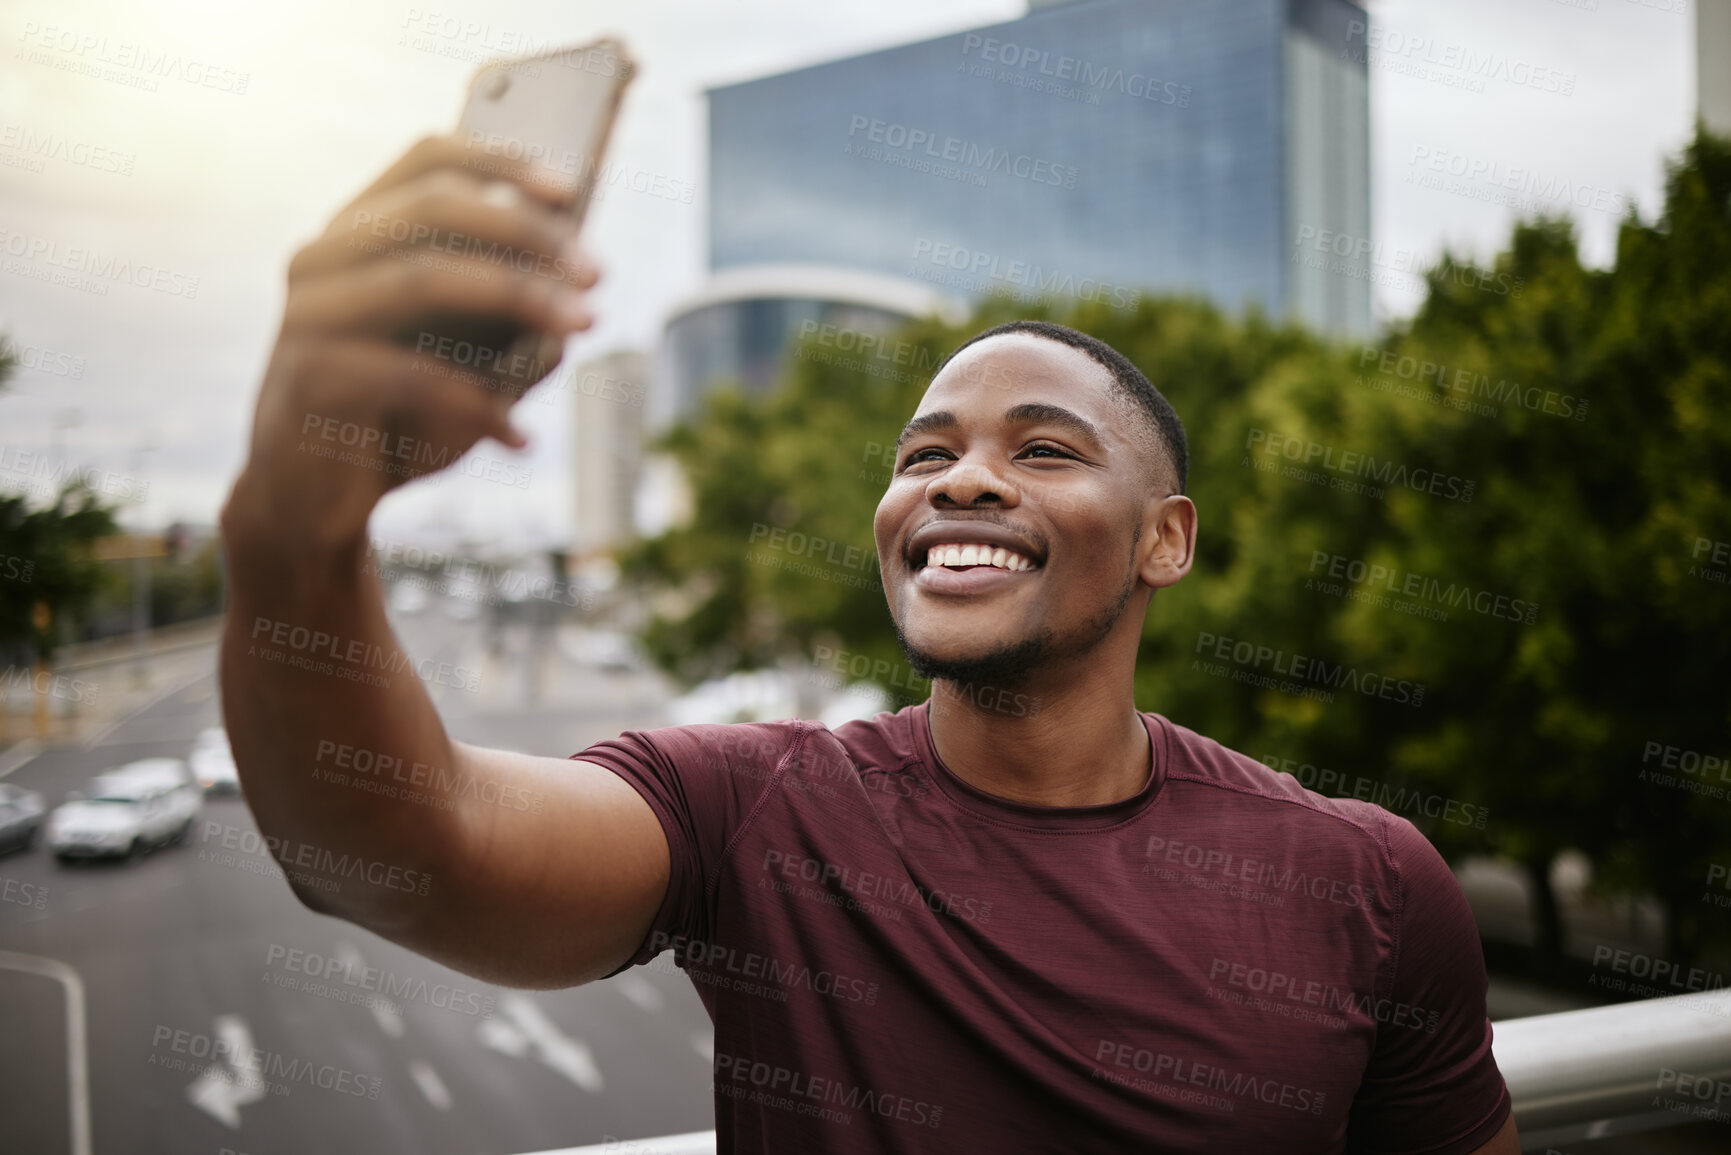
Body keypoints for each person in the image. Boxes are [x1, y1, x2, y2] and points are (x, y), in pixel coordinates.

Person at [222, 135, 1520, 1154]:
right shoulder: (752, 810)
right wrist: (293, 522)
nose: (960, 482)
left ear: (1164, 540)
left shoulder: (1373, 888)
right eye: (925, 454)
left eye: (1045, 450)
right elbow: (390, 852)